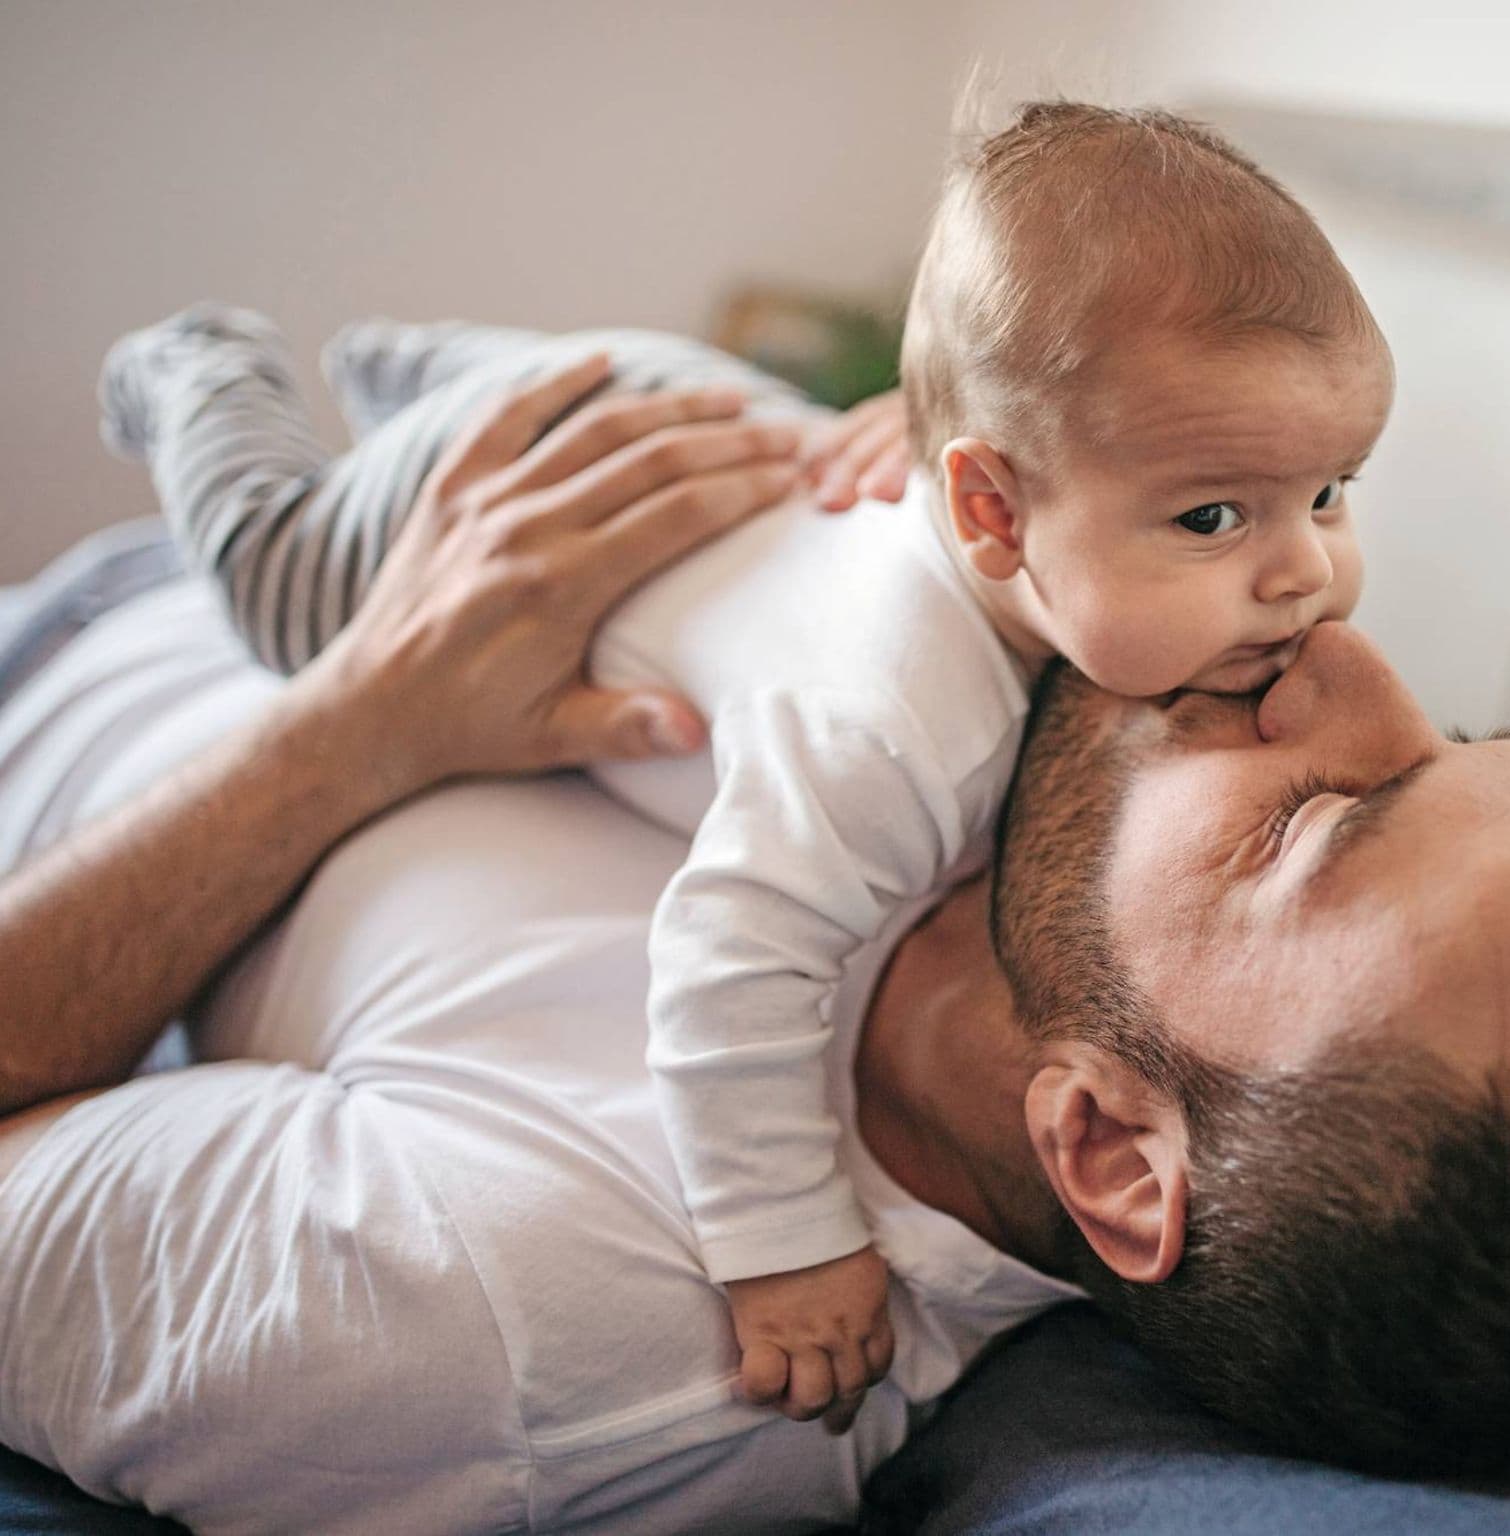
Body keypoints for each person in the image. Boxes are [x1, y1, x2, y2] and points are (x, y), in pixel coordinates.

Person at [95, 102, 1391, 1433]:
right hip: (529, 473)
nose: (1306, 574)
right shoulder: (883, 735)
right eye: (1215, 515)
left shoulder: (1075, 556)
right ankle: (209, 371)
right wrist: (786, 1244)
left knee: (582, 395)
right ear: (990, 511)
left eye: (1332, 490)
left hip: (678, 408)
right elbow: (728, 970)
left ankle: (405, 363)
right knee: (282, 594)